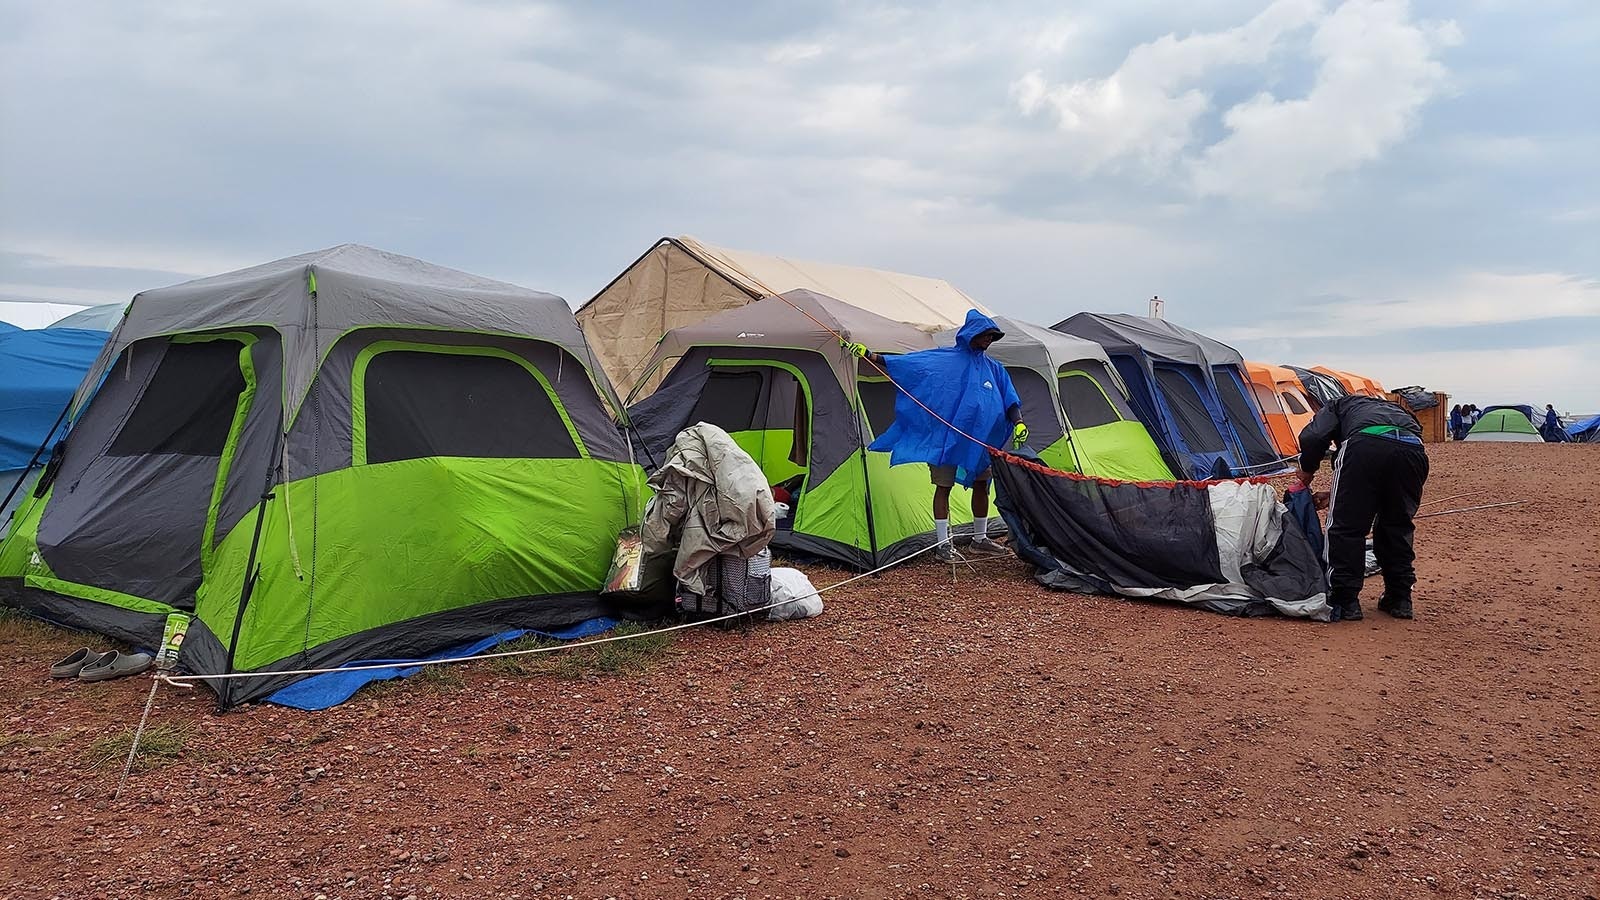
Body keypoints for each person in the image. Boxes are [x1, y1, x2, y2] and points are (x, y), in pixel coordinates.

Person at [849, 310, 1026, 562]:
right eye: (985, 335)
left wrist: (1018, 423)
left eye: (992, 336)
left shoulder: (994, 368)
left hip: (979, 443)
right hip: (947, 439)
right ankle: (943, 544)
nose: (989, 340)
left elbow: (1010, 398)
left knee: (982, 486)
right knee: (943, 486)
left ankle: (980, 539)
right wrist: (869, 355)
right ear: (972, 334)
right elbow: (910, 365)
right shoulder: (946, 359)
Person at [1296, 394, 1429, 621]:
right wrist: (1338, 493)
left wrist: (1307, 470)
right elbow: (1392, 452)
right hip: (1412, 450)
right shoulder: (1396, 410)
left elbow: (1314, 436)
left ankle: (1346, 600)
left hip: (1364, 446)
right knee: (1396, 524)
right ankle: (1400, 598)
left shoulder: (1337, 405)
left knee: (1347, 525)